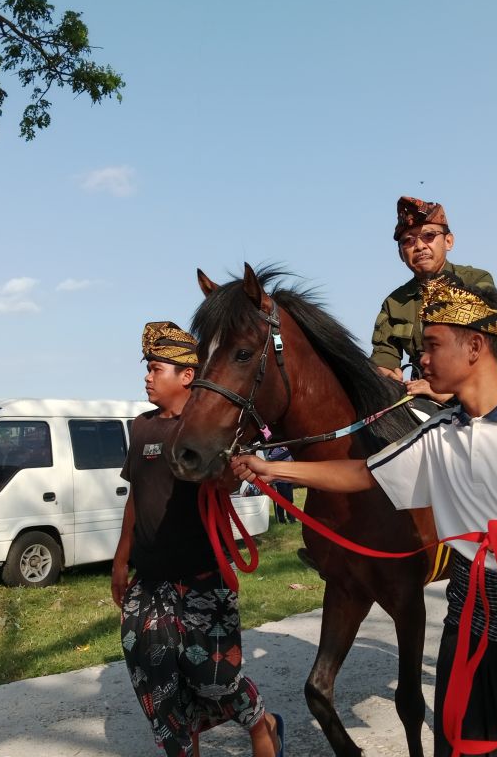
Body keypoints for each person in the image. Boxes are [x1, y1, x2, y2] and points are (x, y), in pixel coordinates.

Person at [233, 278, 497, 757]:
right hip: (469, 628)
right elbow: (366, 473)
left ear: (475, 346)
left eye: (431, 345)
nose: (420, 359)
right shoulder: (439, 432)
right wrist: (271, 466)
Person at [112, 321, 283, 757]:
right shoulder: (142, 427)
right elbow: (136, 495)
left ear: (187, 375)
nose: (147, 377)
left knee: (216, 680)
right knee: (156, 686)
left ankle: (262, 724)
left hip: (204, 576)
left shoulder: (210, 429)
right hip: (149, 581)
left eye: (155, 368)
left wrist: (231, 467)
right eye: (147, 369)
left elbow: (226, 483)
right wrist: (120, 559)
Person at [371, 196, 496, 401]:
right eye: (408, 241)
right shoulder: (395, 303)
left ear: (448, 241)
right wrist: (387, 377)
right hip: (420, 394)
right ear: (401, 254)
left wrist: (443, 390)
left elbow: (485, 344)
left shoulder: (476, 281)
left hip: (478, 391)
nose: (419, 246)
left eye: (428, 236)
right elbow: (383, 358)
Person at [265, 446, 296, 524]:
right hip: (280, 480)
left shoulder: (288, 449)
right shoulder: (276, 450)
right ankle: (282, 520)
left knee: (290, 499)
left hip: (289, 479)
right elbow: (273, 463)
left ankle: (291, 518)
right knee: (282, 500)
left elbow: (292, 462)